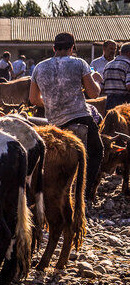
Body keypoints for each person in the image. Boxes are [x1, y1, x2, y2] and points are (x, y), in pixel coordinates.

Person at [29, 32, 103, 201]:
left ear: (53, 48)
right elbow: (93, 93)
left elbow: (33, 99)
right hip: (80, 118)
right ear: (72, 48)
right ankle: (84, 194)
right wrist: (98, 80)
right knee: (97, 151)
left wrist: (51, 102)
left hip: (55, 124)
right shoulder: (79, 63)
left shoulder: (39, 67)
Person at [102, 42, 130, 111]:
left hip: (109, 102)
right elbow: (129, 86)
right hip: (124, 104)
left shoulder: (108, 65)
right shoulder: (128, 64)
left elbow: (103, 86)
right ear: (129, 53)